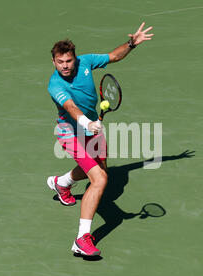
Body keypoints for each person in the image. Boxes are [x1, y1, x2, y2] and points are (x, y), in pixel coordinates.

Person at [47, 22, 154, 256]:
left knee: (97, 167)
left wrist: (131, 43)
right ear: (53, 62)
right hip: (70, 132)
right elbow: (70, 106)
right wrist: (87, 123)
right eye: (60, 62)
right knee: (100, 179)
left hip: (91, 128)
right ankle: (81, 239)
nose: (65, 66)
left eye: (69, 61)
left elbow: (114, 56)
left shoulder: (86, 62)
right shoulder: (54, 84)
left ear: (75, 59)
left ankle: (62, 182)